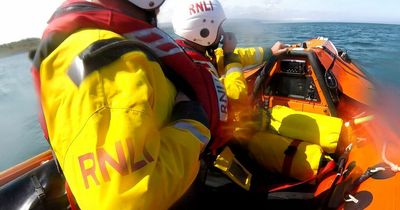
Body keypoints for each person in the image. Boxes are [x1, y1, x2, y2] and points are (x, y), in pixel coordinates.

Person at [30, 0, 226, 209]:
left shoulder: (109, 47)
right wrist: (192, 122)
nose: (160, 8)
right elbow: (124, 200)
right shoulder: (105, 59)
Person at [172, 0, 288, 150]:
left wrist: (269, 52)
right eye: (219, 27)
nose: (222, 32)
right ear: (205, 30)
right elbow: (237, 96)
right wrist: (231, 58)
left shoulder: (187, 53)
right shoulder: (198, 69)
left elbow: (236, 55)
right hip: (212, 149)